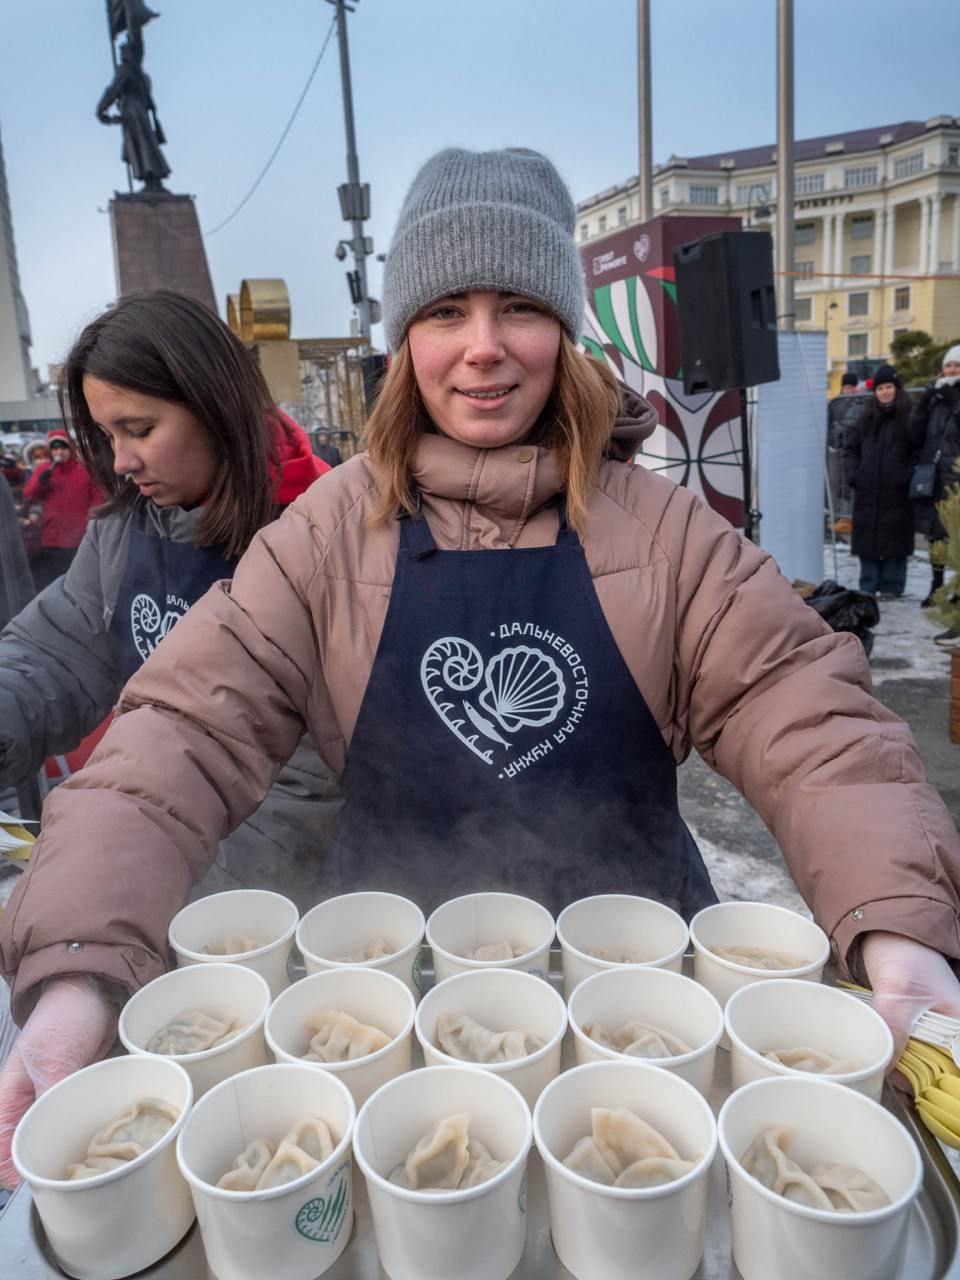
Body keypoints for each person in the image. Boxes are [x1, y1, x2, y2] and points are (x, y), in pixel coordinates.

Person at [1, 148, 959, 1186]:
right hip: (387, 998)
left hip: (644, 1001)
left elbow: (810, 719)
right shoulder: (327, 532)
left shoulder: (669, 532)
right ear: (406, 335)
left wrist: (896, 929)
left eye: (520, 308)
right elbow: (178, 732)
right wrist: (80, 970)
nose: (484, 350)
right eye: (446, 310)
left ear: (567, 326)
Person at [842, 364, 915, 599]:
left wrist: (907, 476)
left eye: (889, 387)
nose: (884, 392)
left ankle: (893, 585)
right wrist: (854, 474)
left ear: (897, 389)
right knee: (868, 538)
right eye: (881, 388)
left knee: (895, 536)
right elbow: (850, 449)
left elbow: (918, 451)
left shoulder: (908, 418)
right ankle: (869, 583)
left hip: (898, 490)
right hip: (868, 488)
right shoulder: (866, 418)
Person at [910, 344, 960, 626]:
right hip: (934, 475)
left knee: (957, 535)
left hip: (956, 476)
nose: (952, 370)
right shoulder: (935, 395)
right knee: (936, 535)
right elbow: (915, 434)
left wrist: (955, 402)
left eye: (957, 366)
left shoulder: (954, 396)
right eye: (949, 365)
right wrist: (925, 402)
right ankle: (937, 585)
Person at [20, 429, 101, 590]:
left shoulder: (84, 470)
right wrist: (39, 483)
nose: (59, 452)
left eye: (63, 447)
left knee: (81, 581)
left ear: (71, 448)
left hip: (79, 538)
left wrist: (89, 522)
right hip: (52, 537)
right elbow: (28, 494)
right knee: (55, 582)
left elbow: (97, 497)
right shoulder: (44, 470)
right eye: (55, 448)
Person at [826, 371, 863, 521]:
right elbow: (828, 425)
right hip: (835, 448)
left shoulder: (861, 402)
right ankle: (833, 513)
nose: (848, 390)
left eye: (851, 386)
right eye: (845, 386)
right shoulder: (834, 403)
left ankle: (848, 516)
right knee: (834, 481)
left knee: (849, 482)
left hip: (853, 449)